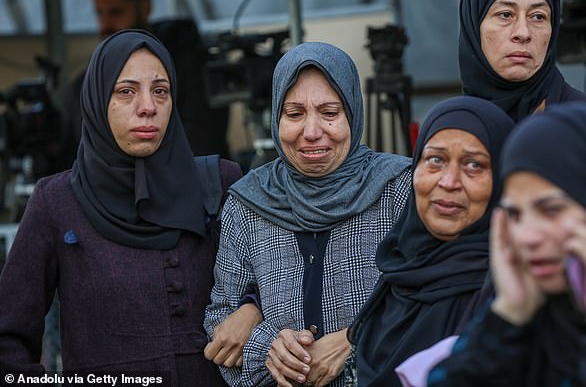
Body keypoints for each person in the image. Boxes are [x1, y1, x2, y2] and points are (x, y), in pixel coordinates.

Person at [0, 30, 252, 386]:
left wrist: (252, 307)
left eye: (160, 91)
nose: (147, 106)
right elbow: (7, 337)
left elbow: (278, 278)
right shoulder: (55, 202)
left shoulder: (220, 182)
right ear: (98, 99)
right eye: (126, 91)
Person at [204, 42, 412, 387]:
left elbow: (434, 303)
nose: (312, 132)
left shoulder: (398, 189)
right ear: (276, 118)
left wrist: (355, 340)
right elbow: (220, 322)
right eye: (295, 114)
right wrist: (270, 348)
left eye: (330, 113)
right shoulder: (247, 203)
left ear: (353, 114)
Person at [427, 103, 586, 387]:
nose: (526, 237)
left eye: (551, 210)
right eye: (515, 215)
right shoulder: (523, 322)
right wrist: (508, 316)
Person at [347, 96, 515, 386]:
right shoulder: (398, 270)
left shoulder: (508, 292)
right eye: (435, 160)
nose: (449, 181)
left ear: (502, 180)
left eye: (474, 165)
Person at [62, 0, 229, 168]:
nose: (105, 24)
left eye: (115, 13)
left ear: (144, 8)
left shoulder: (190, 66)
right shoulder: (86, 82)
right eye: (99, 13)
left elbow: (201, 144)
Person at [459, 0, 586, 121]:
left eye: (538, 17)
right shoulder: (448, 133)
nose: (523, 33)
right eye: (505, 14)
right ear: (473, 27)